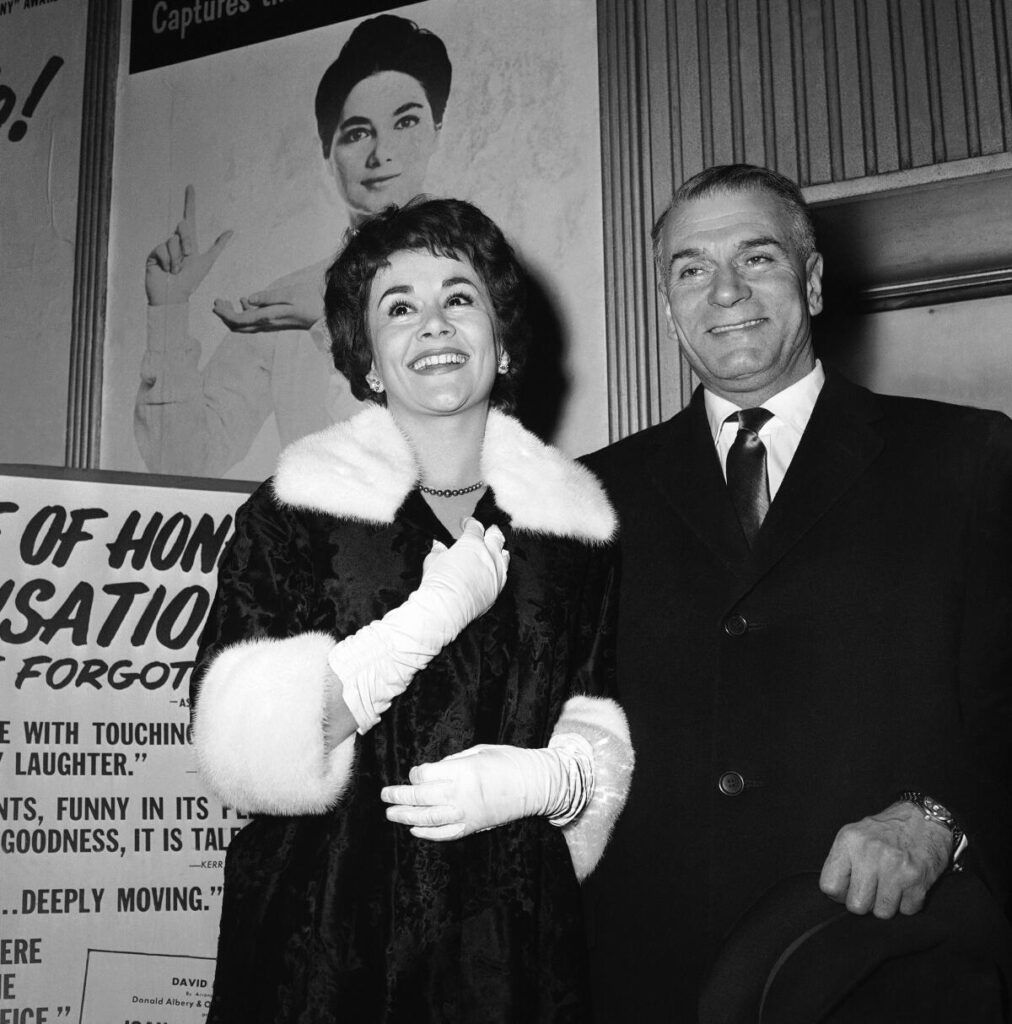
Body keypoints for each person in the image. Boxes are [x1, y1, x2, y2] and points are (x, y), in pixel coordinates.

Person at [582, 164, 1012, 1022]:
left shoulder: (966, 459)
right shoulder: (589, 496)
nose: (726, 290)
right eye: (691, 268)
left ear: (812, 283)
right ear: (669, 307)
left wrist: (940, 817)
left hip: (885, 971)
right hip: (651, 982)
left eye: (759, 257)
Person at [190, 197, 633, 1022]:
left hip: (508, 944)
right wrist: (426, 620)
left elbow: (610, 717)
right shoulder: (293, 511)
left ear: (501, 343)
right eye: (399, 307)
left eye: (459, 297)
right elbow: (238, 746)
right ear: (367, 362)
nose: (432, 324)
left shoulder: (576, 528)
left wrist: (553, 780)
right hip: (318, 939)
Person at [137, 15, 452, 476]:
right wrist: (168, 311)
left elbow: (449, 459)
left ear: (436, 134)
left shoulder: (479, 284)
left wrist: (331, 322)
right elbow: (182, 460)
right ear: (330, 158)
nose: (380, 153)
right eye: (357, 132)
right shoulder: (290, 300)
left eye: (405, 122)